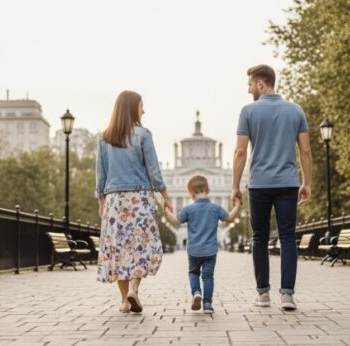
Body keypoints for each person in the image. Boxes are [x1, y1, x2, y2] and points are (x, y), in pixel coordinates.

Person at [231, 64, 312, 311]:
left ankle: (263, 294)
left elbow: (241, 151)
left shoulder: (248, 111)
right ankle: (287, 295)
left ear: (260, 84)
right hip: (288, 182)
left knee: (259, 238)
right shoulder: (296, 110)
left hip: (259, 184)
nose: (248, 91)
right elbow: (306, 151)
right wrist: (307, 182)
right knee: (288, 238)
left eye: (249, 85)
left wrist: (235, 186)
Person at [95, 90, 173, 314]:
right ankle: (134, 290)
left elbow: (100, 173)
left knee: (119, 249)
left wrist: (101, 200)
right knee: (139, 247)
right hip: (139, 200)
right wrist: (165, 195)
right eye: (141, 105)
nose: (144, 110)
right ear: (132, 108)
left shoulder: (103, 137)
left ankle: (123, 301)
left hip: (114, 201)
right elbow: (154, 170)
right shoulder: (143, 135)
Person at [163, 175, 241, 314]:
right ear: (208, 190)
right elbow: (229, 218)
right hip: (210, 250)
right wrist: (237, 205)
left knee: (193, 272)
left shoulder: (188, 209)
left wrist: (167, 211)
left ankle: (196, 292)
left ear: (191, 194)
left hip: (193, 250)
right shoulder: (216, 208)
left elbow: (175, 221)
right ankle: (207, 304)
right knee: (208, 277)